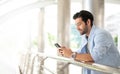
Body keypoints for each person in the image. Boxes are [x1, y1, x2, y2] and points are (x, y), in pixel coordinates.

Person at [58, 10, 120, 74]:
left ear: (88, 22)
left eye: (79, 24)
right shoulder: (85, 36)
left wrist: (71, 54)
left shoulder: (101, 34)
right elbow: (81, 53)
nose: (77, 28)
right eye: (76, 25)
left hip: (108, 71)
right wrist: (67, 52)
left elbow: (94, 57)